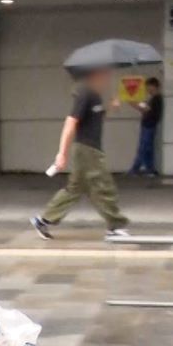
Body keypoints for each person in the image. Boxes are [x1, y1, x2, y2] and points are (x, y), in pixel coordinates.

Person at [31, 66, 130, 241]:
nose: (107, 77)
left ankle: (43, 220)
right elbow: (71, 122)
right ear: (95, 74)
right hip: (87, 150)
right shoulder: (86, 93)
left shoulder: (95, 96)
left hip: (89, 148)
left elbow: (93, 120)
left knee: (74, 189)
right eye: (105, 73)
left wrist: (111, 107)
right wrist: (61, 153)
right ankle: (116, 226)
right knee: (103, 186)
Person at [128, 76, 163, 178]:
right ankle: (150, 169)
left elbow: (146, 109)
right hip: (149, 125)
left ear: (154, 86)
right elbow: (145, 108)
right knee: (148, 149)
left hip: (149, 125)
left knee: (143, 148)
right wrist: (136, 104)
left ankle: (135, 169)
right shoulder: (153, 99)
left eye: (149, 87)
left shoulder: (156, 99)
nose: (147, 89)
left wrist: (135, 103)